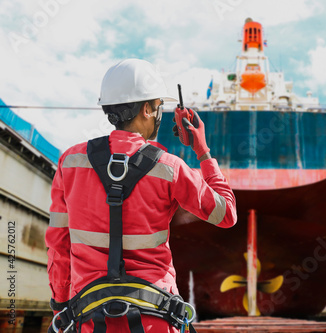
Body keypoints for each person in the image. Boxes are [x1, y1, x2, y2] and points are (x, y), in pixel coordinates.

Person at [45, 59, 237, 332]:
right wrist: (203, 151)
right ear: (146, 109)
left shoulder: (70, 162)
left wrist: (61, 305)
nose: (160, 115)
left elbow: (58, 244)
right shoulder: (169, 168)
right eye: (159, 107)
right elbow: (226, 214)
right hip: (155, 321)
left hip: (89, 319)